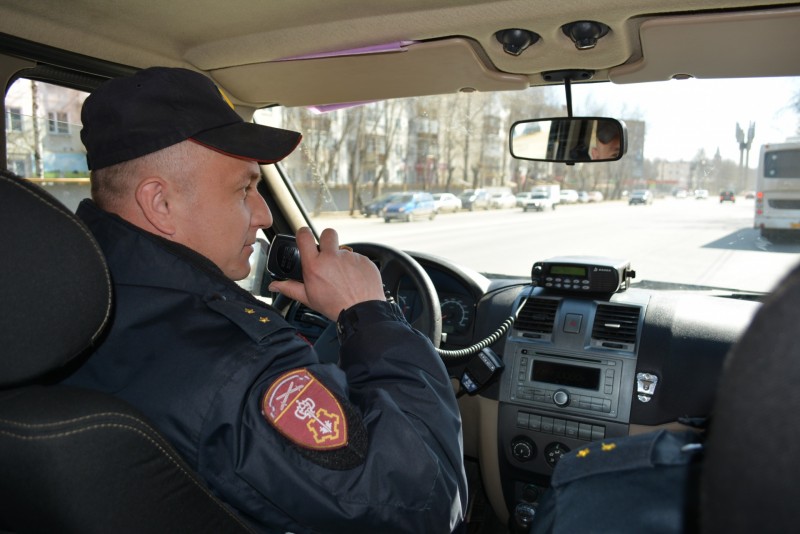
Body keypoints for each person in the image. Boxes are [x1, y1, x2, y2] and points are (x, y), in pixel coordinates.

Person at [61, 67, 467, 533]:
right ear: (160, 204)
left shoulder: (60, 302)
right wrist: (369, 314)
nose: (263, 213)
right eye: (244, 188)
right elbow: (428, 506)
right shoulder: (237, 369)